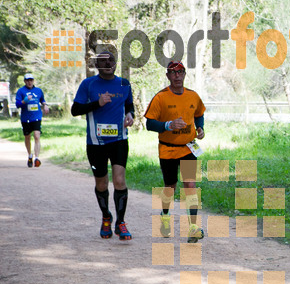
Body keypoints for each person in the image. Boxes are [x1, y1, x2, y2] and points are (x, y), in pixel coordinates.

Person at [71, 51, 135, 240]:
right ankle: (106, 216)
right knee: (101, 183)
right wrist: (96, 103)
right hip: (95, 143)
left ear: (116, 63)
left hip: (119, 140)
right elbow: (75, 110)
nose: (108, 64)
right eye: (103, 62)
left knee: (119, 181)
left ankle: (120, 222)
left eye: (111, 61)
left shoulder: (124, 83)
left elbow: (129, 105)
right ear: (96, 65)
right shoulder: (88, 84)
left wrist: (130, 115)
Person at [144, 61, 206, 243]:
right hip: (168, 149)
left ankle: (193, 227)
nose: (177, 76)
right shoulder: (161, 97)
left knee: (190, 185)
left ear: (185, 74)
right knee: (170, 187)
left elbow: (199, 114)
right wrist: (168, 125)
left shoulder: (193, 96)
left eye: (180, 72)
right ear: (168, 76)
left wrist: (200, 128)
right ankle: (165, 217)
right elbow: (149, 124)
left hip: (188, 148)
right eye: (173, 72)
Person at [15, 73, 49, 167]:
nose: (29, 82)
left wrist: (45, 105)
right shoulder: (21, 91)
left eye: (31, 80)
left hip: (36, 116)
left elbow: (42, 100)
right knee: (27, 137)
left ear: (33, 81)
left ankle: (37, 158)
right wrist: (24, 101)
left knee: (37, 135)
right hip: (26, 118)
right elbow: (17, 104)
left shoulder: (38, 90)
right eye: (28, 80)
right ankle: (30, 155)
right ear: (25, 81)